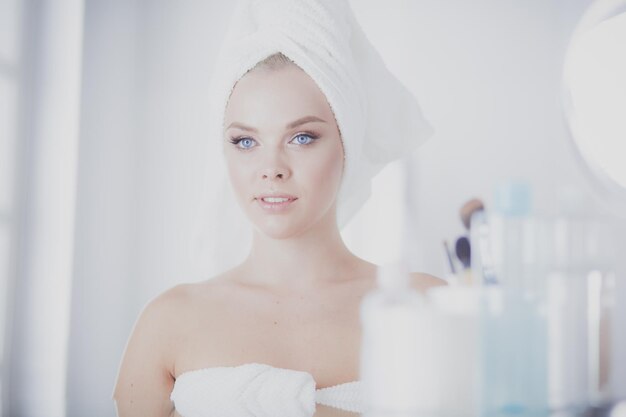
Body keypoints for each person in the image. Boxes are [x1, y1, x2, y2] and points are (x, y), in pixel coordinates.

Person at [112, 1, 445, 416]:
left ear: (347, 143)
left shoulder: (426, 306)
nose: (271, 169)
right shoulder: (169, 322)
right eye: (245, 142)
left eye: (302, 137)